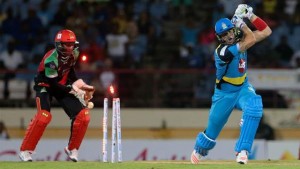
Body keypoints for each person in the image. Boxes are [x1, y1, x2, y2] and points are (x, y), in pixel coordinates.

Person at [190, 4, 272, 165]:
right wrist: (240, 22)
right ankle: (199, 149)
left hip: (242, 88)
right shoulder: (222, 52)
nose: (227, 36)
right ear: (219, 37)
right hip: (224, 94)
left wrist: (250, 15)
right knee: (211, 133)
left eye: (228, 32)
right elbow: (251, 39)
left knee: (255, 106)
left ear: (232, 30)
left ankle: (242, 151)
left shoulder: (241, 38)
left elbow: (267, 31)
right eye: (223, 35)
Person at [19, 29, 95, 162]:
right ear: (59, 44)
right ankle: (25, 150)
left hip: (62, 85)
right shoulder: (51, 60)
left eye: (72, 44)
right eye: (67, 44)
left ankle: (72, 149)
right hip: (46, 85)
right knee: (43, 116)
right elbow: (53, 84)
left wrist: (80, 84)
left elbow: (70, 71)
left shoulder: (75, 53)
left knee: (83, 116)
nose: (70, 47)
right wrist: (74, 90)